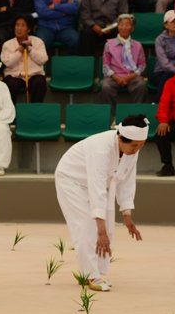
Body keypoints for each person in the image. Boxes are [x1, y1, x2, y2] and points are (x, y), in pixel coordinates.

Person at [55, 114, 146, 292]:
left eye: (141, 145)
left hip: (97, 184)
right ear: (120, 138)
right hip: (71, 180)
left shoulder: (132, 150)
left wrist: (127, 214)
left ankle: (94, 272)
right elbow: (96, 187)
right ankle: (91, 276)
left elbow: (127, 181)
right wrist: (101, 231)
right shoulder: (100, 149)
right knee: (87, 225)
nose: (137, 149)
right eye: (134, 145)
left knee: (104, 226)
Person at [99, 14, 147, 109]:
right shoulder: (109, 44)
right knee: (106, 88)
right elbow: (105, 66)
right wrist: (117, 78)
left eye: (127, 25)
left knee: (141, 86)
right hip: (113, 76)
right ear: (118, 27)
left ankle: (135, 114)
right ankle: (114, 115)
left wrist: (131, 77)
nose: (124, 27)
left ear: (132, 28)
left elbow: (142, 65)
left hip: (132, 76)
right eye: (121, 24)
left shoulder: (138, 45)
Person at [1, 14, 48, 104]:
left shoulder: (38, 42)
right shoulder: (7, 44)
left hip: (34, 75)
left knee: (39, 83)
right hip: (14, 76)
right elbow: (8, 63)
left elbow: (42, 59)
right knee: (10, 85)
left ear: (29, 29)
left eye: (23, 26)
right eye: (17, 25)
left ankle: (35, 111)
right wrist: (19, 52)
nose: (19, 28)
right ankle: (11, 114)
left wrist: (30, 49)